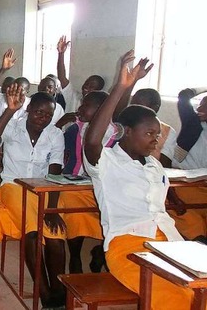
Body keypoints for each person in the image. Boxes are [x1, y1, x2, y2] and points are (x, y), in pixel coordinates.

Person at [83, 51, 193, 310]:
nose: (156, 139)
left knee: (197, 288)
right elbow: (92, 139)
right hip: (127, 245)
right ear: (127, 132)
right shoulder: (106, 162)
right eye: (149, 133)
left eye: (157, 133)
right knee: (173, 297)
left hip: (168, 239)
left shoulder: (154, 165)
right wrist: (121, 87)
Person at [0, 86, 66, 308]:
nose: (43, 118)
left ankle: (59, 292)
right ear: (29, 109)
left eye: (48, 115)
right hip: (12, 187)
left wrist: (53, 209)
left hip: (42, 189)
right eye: (39, 112)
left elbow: (55, 172)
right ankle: (45, 294)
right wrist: (9, 110)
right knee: (33, 232)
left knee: (56, 237)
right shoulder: (12, 126)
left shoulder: (55, 135)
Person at [59, 91, 114, 273]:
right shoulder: (75, 128)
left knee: (117, 214)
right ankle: (75, 257)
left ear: (101, 110)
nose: (80, 108)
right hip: (75, 183)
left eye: (85, 105)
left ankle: (101, 251)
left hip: (106, 187)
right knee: (74, 210)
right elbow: (58, 150)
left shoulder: (117, 135)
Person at [163, 87, 207, 243]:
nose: (201, 109)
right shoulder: (193, 124)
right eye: (201, 105)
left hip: (203, 187)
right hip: (184, 184)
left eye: (205, 106)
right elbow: (184, 96)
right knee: (196, 228)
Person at [56, 36, 105, 111]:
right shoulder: (75, 97)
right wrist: (61, 54)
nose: (86, 87)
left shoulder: (99, 108)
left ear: (98, 91)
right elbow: (62, 78)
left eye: (91, 86)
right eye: (86, 83)